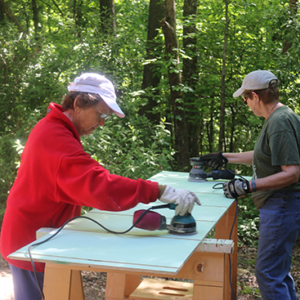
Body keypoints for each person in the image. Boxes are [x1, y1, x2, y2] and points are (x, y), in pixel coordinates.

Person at [0, 72, 200, 300]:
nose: (102, 122)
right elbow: (98, 186)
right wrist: (159, 191)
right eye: (100, 114)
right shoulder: (55, 137)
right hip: (31, 242)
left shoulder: (53, 128)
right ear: (78, 103)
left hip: (38, 235)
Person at [201, 70, 300, 300]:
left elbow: (292, 173)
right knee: (278, 272)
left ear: (255, 96)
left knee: (267, 273)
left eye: (245, 99)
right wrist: (225, 156)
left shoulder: (279, 122)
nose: (246, 104)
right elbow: (261, 155)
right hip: (282, 204)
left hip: (282, 204)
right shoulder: (281, 117)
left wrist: (248, 186)